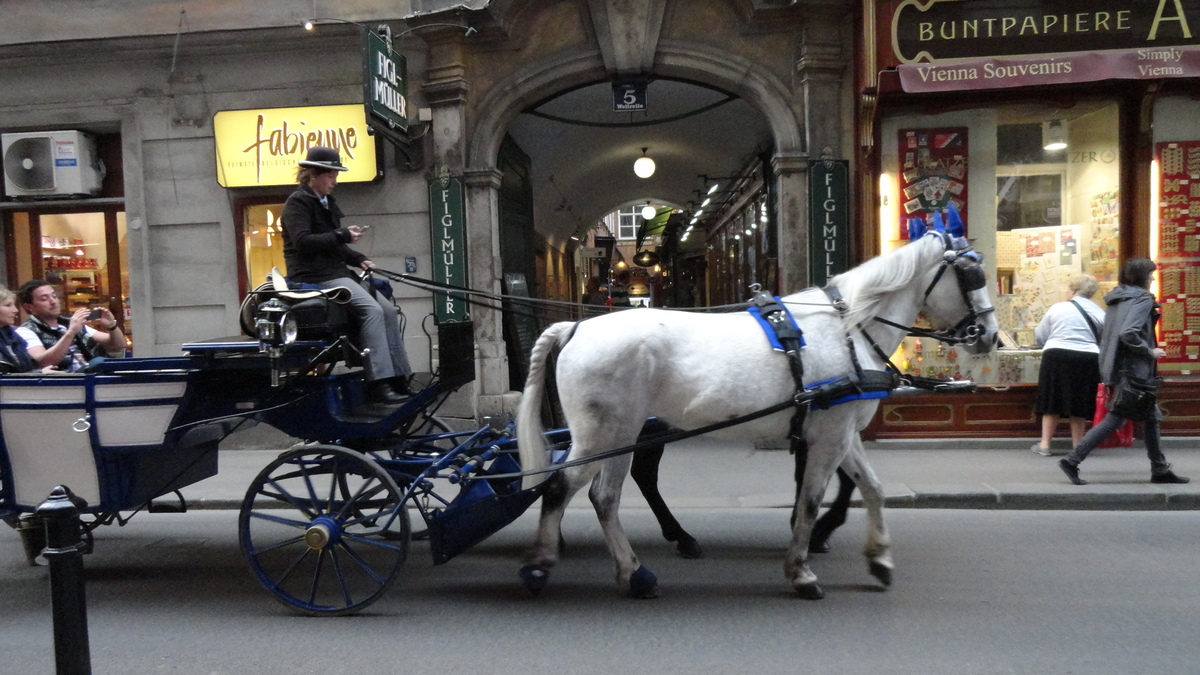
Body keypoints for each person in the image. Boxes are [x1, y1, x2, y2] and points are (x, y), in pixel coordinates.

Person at [280, 145, 412, 405]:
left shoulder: (325, 202)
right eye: (331, 175)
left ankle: (398, 375)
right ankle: (378, 382)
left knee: (386, 310)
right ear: (313, 174)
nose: (335, 181)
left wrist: (360, 259)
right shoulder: (298, 202)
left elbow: (335, 245)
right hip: (314, 276)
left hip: (336, 272)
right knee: (371, 311)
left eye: (335, 175)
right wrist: (343, 235)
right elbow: (303, 241)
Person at [1059, 258, 1189, 485]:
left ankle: (1159, 468)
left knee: (1150, 417)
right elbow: (1128, 333)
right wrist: (1149, 351)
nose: (1152, 279)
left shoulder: (1117, 299)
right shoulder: (1141, 300)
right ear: (1141, 277)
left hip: (1118, 366)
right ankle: (1072, 459)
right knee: (1115, 420)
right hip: (1135, 370)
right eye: (1150, 275)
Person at [1030, 274, 1105, 456]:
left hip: (1056, 355)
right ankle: (1077, 446)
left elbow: (1040, 335)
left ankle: (1045, 444)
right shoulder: (1100, 312)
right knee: (1078, 402)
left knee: (1051, 400)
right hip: (1087, 357)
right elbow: (1103, 339)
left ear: (1073, 290)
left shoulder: (1058, 308)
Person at [16, 279, 125, 372]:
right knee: (98, 362)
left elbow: (118, 345)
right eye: (44, 299)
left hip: (91, 376)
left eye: (54, 296)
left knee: (106, 363)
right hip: (65, 382)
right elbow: (44, 362)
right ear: (29, 307)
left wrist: (112, 326)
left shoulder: (68, 322)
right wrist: (71, 332)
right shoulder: (26, 331)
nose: (53, 301)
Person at [0, 286, 37, 374]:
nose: (16, 310)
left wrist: (40, 373)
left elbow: (23, 372)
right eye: (8, 305)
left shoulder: (14, 337)